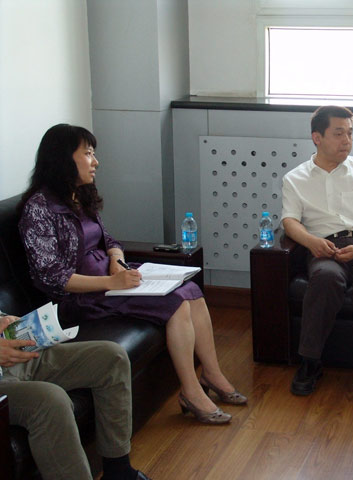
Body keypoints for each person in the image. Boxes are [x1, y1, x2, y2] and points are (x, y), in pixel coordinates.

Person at [18, 124, 246, 427]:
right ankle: (191, 392)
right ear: (63, 158)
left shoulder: (79, 195)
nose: (95, 161)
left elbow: (110, 240)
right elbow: (51, 277)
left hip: (110, 279)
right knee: (175, 304)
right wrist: (111, 282)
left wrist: (117, 261)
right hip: (79, 297)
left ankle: (212, 374)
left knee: (191, 292)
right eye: (88, 154)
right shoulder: (38, 208)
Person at [281, 106, 353, 406]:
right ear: (317, 137)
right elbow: (290, 221)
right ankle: (310, 362)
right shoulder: (295, 178)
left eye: (350, 133)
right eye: (339, 133)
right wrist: (311, 242)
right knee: (325, 277)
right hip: (324, 247)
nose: (347, 140)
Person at [0, 311, 150, 480]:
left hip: (14, 357)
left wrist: (6, 320)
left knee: (112, 357)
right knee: (50, 400)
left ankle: (119, 472)